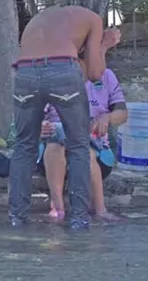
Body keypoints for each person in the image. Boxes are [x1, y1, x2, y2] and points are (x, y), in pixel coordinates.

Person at [10, 6, 113, 229]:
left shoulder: (38, 20)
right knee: (78, 146)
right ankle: (79, 220)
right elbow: (95, 74)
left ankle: (17, 218)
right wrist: (103, 46)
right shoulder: (93, 19)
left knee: (24, 147)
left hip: (24, 72)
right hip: (63, 71)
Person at [40, 64, 127, 221]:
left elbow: (122, 114)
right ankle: (57, 208)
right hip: (54, 146)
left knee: (85, 151)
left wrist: (107, 118)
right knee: (56, 143)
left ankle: (100, 209)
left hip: (94, 148)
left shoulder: (106, 76)